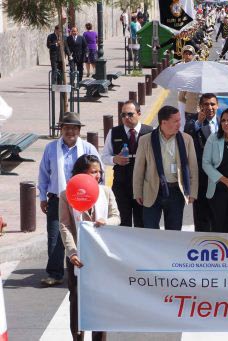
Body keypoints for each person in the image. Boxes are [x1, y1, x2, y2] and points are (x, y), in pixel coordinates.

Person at [59, 154, 118, 341]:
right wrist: (72, 252)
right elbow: (65, 225)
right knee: (76, 299)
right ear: (81, 174)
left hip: (101, 255)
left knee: (101, 300)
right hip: (79, 256)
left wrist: (106, 221)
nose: (98, 175)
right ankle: (77, 336)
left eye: (99, 171)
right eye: (93, 172)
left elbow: (117, 217)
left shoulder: (106, 192)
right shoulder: (66, 195)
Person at [37, 113, 101, 287]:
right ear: (61, 129)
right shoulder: (51, 148)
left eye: (74, 128)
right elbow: (43, 174)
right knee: (55, 237)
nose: (70, 131)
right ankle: (55, 273)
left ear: (79, 130)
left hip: (83, 199)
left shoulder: (88, 148)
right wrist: (43, 197)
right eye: (66, 128)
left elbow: (98, 173)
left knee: (83, 235)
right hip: (58, 199)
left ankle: (85, 269)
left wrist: (97, 196)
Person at [133, 106, 198, 230]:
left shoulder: (186, 139)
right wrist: (137, 191)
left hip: (176, 192)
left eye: (180, 120)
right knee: (150, 231)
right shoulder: (145, 140)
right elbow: (139, 169)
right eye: (176, 121)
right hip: (152, 191)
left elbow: (193, 168)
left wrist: (192, 192)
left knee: (173, 232)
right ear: (164, 122)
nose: (180, 124)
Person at [102, 100, 153, 227]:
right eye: (123, 115)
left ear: (139, 113)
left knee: (142, 223)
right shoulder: (114, 132)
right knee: (122, 222)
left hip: (143, 184)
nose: (126, 118)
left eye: (130, 114)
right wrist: (115, 159)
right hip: (121, 185)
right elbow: (104, 156)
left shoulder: (150, 132)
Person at [184, 94, 219, 232]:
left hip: (221, 177)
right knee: (201, 215)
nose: (209, 107)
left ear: (217, 105)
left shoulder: (225, 121)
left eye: (212, 104)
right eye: (205, 104)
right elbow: (186, 137)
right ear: (200, 106)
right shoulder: (193, 122)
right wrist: (198, 123)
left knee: (218, 214)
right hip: (201, 176)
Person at [177, 45, 199, 131]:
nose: (187, 56)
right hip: (182, 91)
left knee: (191, 113)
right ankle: (182, 130)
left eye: (190, 54)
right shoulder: (179, 66)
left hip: (191, 92)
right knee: (182, 113)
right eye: (185, 53)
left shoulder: (196, 66)